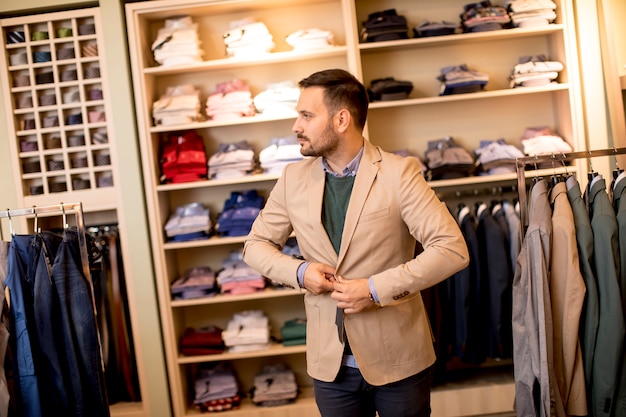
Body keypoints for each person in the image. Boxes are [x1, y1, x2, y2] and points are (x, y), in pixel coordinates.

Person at [242, 68, 469, 417]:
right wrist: (301, 272)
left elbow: (451, 249)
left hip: (399, 361)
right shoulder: (292, 179)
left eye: (306, 115)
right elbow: (255, 245)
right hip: (329, 366)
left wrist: (375, 288)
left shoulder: (399, 173)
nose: (296, 126)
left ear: (341, 119)